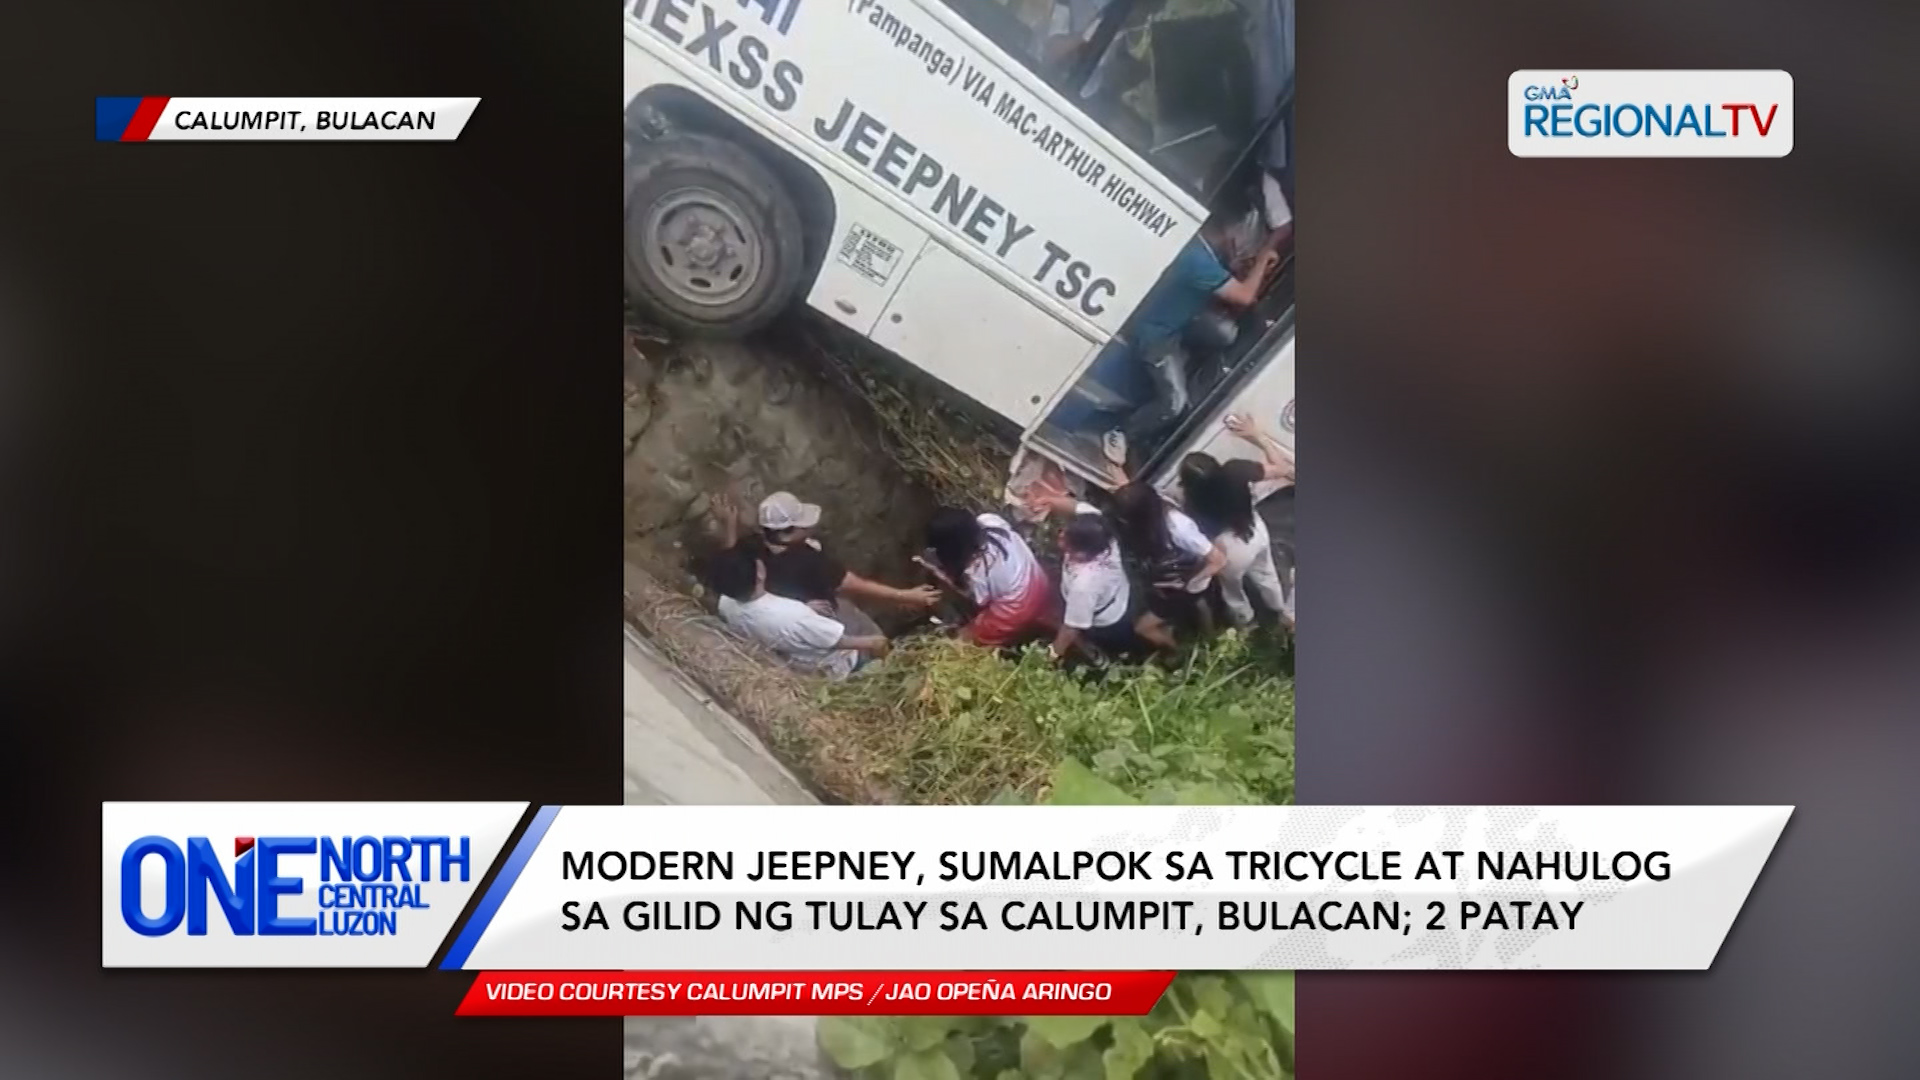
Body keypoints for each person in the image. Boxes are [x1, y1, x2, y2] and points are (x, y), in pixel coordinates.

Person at [1051, 213, 1280, 468]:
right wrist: (1262, 258)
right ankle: (1121, 433)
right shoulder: (1197, 260)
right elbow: (1244, 297)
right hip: (1157, 335)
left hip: (1175, 325)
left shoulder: (1203, 254)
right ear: (1228, 231)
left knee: (1225, 333)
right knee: (1174, 404)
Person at [716, 490, 939, 636]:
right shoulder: (810, 562)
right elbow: (854, 584)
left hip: (792, 608)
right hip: (820, 617)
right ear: (790, 532)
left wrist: (729, 525)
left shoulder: (750, 546)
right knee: (870, 636)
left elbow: (731, 559)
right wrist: (906, 596)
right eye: (803, 525)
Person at [1025, 490, 1177, 661]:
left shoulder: (1084, 585)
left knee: (1118, 644)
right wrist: (1049, 500)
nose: (1060, 536)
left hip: (1106, 620)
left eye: (1065, 539)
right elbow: (1078, 508)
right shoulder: (1101, 529)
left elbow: (1071, 627)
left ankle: (1129, 657)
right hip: (1119, 595)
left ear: (1081, 555)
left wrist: (1053, 653)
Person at [1177, 411, 1294, 628]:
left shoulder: (1190, 504)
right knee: (1267, 573)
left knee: (1233, 590)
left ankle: (1248, 624)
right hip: (1255, 529)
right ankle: (1280, 613)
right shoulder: (1235, 470)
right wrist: (1257, 436)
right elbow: (1282, 468)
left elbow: (1203, 537)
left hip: (1229, 549)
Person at [709, 547, 889, 679]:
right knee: (859, 624)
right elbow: (839, 641)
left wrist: (805, 608)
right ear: (760, 575)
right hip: (834, 666)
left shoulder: (726, 603)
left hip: (791, 654)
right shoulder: (796, 617)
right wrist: (875, 643)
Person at [918, 506, 1058, 647]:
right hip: (1038, 580)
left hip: (1017, 607)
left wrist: (943, 576)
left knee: (963, 640)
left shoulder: (977, 572)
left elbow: (980, 600)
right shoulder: (991, 521)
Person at [1109, 481, 1226, 634]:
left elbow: (1218, 559)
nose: (1122, 520)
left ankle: (1209, 636)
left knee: (1200, 604)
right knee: (1195, 606)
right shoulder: (1150, 512)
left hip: (1187, 581)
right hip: (1169, 579)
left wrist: (1191, 581)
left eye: (1124, 517)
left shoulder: (1178, 527)